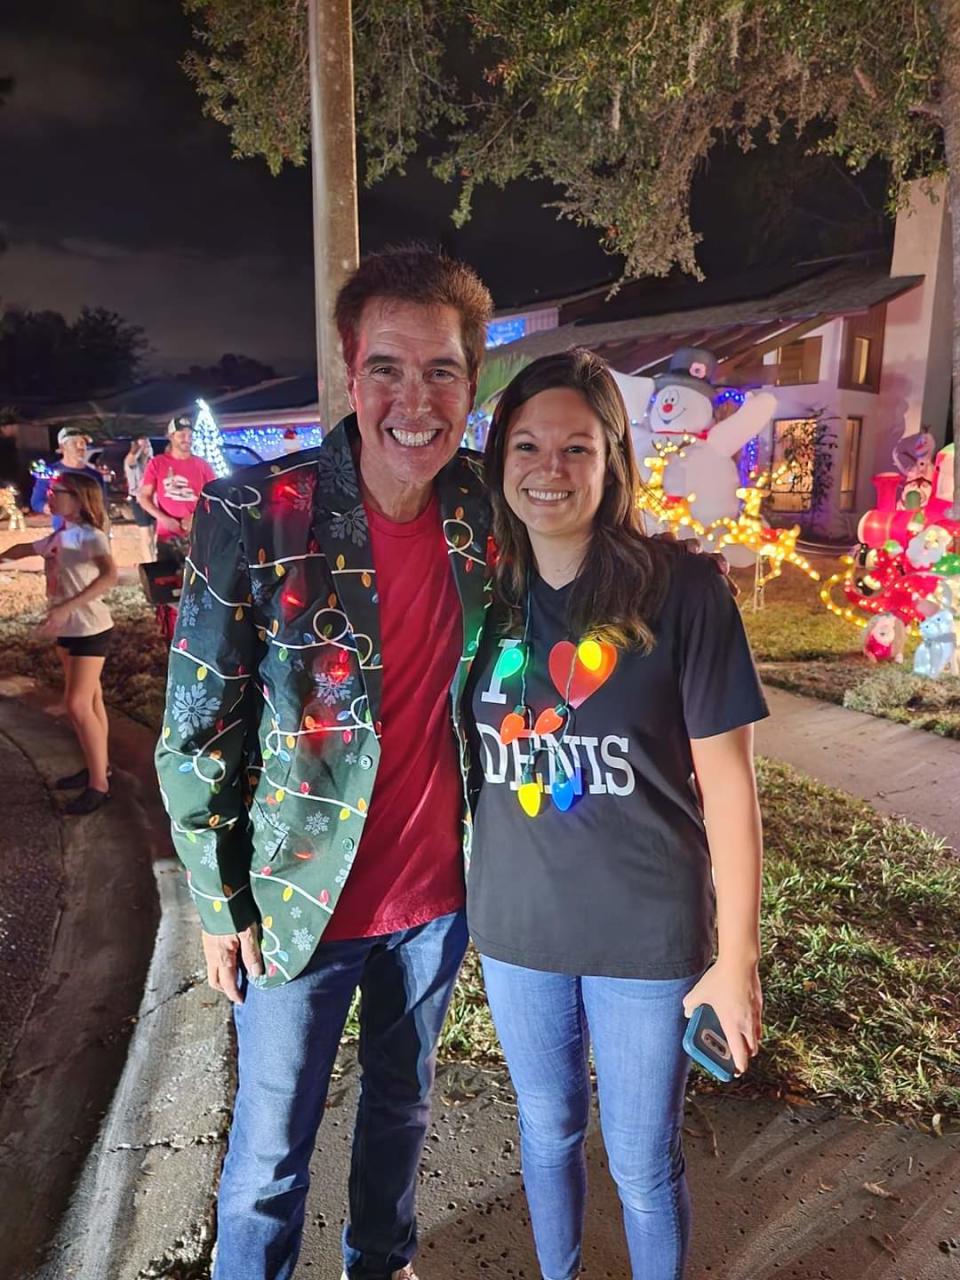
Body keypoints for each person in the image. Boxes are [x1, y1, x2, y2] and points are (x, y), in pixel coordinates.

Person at [155, 247, 496, 1280]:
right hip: (300, 896)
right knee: (268, 1152)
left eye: (441, 370)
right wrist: (215, 902)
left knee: (403, 1107)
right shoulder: (259, 511)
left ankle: (380, 1261)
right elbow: (198, 721)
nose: (415, 398)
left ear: (470, 383)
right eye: (388, 366)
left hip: (436, 896)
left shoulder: (486, 507)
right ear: (350, 370)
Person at [464, 348, 767, 1280]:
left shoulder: (684, 592)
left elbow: (729, 785)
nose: (548, 469)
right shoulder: (482, 598)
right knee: (547, 1133)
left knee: (643, 1163)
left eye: (576, 448)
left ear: (613, 461)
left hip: (647, 935)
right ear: (500, 460)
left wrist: (737, 957)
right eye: (526, 445)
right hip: (517, 929)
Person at [1, 472, 117, 815]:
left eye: (57, 492)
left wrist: (67, 606)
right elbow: (25, 548)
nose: (49, 496)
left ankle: (100, 786)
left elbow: (109, 575)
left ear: (79, 499)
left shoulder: (90, 536)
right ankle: (100, 767)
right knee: (91, 702)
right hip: (70, 629)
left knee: (78, 704)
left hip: (90, 629)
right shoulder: (63, 534)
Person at [137, 415, 215, 560]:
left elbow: (216, 498)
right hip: (167, 538)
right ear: (171, 436)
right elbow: (143, 497)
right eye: (182, 435)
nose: (187, 439)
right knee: (168, 579)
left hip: (198, 536)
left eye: (190, 435)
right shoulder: (157, 463)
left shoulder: (203, 465)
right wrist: (164, 519)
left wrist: (196, 517)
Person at [32, 426, 111, 531]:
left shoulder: (94, 475)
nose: (80, 447)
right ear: (63, 447)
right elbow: (36, 501)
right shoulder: (49, 473)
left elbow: (102, 505)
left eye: (83, 443)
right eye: (75, 443)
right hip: (63, 532)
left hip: (91, 532)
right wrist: (47, 507)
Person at [124, 435, 157, 562]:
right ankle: (149, 563)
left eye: (147, 445)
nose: (146, 448)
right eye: (143, 445)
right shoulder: (133, 463)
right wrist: (136, 449)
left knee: (155, 535)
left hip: (154, 500)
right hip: (138, 499)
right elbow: (130, 460)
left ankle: (156, 560)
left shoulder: (153, 462)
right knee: (146, 535)